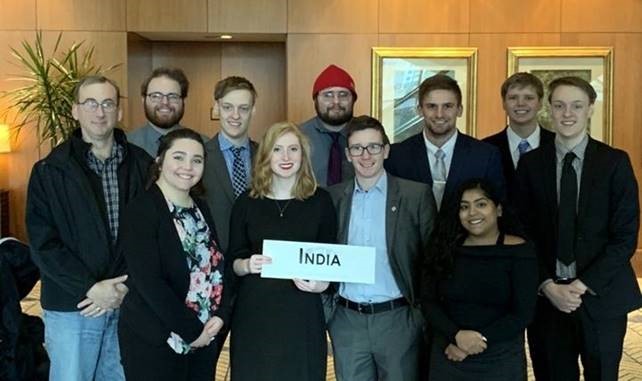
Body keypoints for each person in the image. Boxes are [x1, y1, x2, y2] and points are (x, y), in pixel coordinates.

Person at [516, 76, 642, 381]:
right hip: (547, 299)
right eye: (559, 106)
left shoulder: (614, 162)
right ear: (549, 110)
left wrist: (580, 286)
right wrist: (547, 284)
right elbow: (522, 233)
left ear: (590, 109)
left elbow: (625, 236)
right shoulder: (531, 164)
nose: (567, 113)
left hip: (602, 296)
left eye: (576, 105)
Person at [25, 75, 151, 380]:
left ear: (119, 111)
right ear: (75, 110)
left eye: (108, 103)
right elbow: (44, 244)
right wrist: (91, 288)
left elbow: (152, 237)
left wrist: (125, 288)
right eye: (91, 103)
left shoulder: (143, 165)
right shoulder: (49, 171)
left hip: (126, 303)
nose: (100, 112)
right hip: (73, 306)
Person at [327, 115, 436, 381]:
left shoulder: (415, 195)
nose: (366, 155)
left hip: (398, 319)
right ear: (348, 154)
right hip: (347, 320)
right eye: (357, 148)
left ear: (386, 150)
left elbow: (432, 261)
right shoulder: (332, 197)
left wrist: (420, 316)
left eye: (373, 146)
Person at [227, 121, 337, 381]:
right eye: (277, 149)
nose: (286, 157)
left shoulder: (321, 201)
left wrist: (323, 284)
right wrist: (246, 265)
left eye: (293, 149)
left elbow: (332, 260)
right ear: (266, 155)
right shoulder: (246, 202)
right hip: (255, 313)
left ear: (303, 155)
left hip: (302, 313)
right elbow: (232, 259)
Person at [118, 128, 229, 381]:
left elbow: (215, 266)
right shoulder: (141, 209)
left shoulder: (200, 206)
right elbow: (149, 282)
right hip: (157, 339)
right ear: (159, 161)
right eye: (178, 157)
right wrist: (192, 331)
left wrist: (220, 316)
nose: (187, 166)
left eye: (196, 160)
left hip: (204, 335)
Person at [422, 179, 537, 381]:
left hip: (500, 357)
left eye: (481, 204)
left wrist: (476, 341)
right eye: (464, 207)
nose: (472, 213)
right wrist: (457, 337)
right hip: (449, 353)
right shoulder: (443, 248)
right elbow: (428, 301)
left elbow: (523, 313)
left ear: (498, 209)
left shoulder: (520, 250)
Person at [385, 74, 505, 211]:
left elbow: (496, 209)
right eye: (431, 106)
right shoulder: (396, 156)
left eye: (447, 106)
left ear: (459, 110)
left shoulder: (486, 155)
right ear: (419, 110)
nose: (439, 114)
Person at [203, 76, 258, 254]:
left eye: (243, 108)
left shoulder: (267, 156)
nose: (235, 115)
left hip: (257, 260)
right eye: (228, 107)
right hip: (212, 261)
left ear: (253, 110)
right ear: (217, 108)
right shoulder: (200, 156)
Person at [483, 72, 555, 202]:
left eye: (528, 98)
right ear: (503, 103)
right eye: (513, 98)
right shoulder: (485, 148)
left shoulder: (557, 145)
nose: (520, 103)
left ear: (540, 103)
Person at [301, 64, 357, 186]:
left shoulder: (369, 135)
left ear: (353, 99)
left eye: (343, 95)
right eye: (328, 95)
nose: (336, 101)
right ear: (315, 99)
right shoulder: (298, 136)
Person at [128, 67, 193, 156]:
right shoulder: (127, 144)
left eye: (173, 96)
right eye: (156, 96)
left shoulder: (204, 145)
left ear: (184, 101)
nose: (165, 102)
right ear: (143, 100)